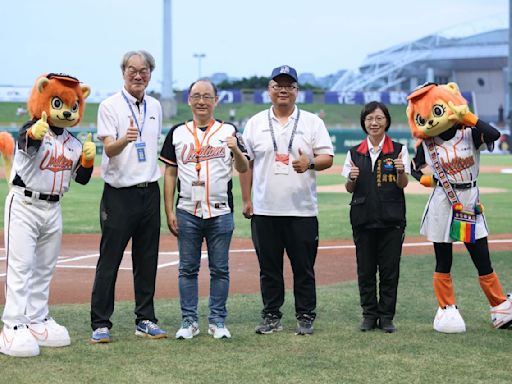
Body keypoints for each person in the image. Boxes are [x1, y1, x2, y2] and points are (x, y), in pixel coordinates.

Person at [1, 73, 94, 357]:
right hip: (25, 205)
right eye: (58, 103)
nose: (67, 110)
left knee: (44, 268)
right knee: (21, 266)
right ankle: (12, 325)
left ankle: (37, 319)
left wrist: (88, 161)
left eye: (72, 105)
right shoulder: (33, 129)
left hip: (53, 208)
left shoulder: (74, 143)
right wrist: (33, 134)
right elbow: (27, 146)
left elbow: (81, 179)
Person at [407, 82, 512, 332]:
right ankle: (447, 309)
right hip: (444, 202)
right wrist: (425, 178)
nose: (431, 120)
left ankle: (500, 309)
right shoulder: (427, 143)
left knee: (482, 258)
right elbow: (416, 169)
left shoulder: (469, 133)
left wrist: (468, 116)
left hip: (469, 202)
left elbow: (495, 135)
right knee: (443, 260)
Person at [240, 65, 334, 336]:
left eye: (289, 86)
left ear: (296, 91)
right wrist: (247, 200)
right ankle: (271, 315)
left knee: (303, 268)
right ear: (269, 90)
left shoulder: (312, 122)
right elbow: (245, 164)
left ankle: (305, 315)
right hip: (265, 209)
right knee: (269, 269)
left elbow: (326, 157)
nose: (283, 90)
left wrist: (311, 163)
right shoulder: (256, 123)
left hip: (301, 210)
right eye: (277, 85)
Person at [160, 79, 249, 340]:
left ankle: (217, 321)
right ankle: (189, 321)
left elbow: (243, 168)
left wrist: (236, 151)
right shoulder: (177, 132)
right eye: (196, 96)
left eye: (207, 96)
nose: (201, 101)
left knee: (220, 269)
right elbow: (170, 172)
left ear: (216, 101)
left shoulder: (229, 131)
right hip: (187, 209)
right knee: (187, 269)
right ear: (188, 100)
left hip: (220, 211)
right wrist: (169, 210)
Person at [90, 50, 167, 343]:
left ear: (150, 73)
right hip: (119, 195)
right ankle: (100, 322)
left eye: (144, 70)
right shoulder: (110, 106)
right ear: (123, 72)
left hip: (149, 191)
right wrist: (125, 139)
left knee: (147, 259)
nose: (138, 75)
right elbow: (108, 149)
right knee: (109, 259)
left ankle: (145, 318)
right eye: (132, 69)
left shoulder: (155, 106)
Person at [342, 101, 409, 333]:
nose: (374, 122)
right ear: (364, 122)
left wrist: (401, 171)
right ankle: (369, 315)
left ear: (387, 121)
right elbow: (349, 188)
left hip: (391, 220)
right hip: (363, 219)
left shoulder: (399, 150)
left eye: (379, 118)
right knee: (366, 270)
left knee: (390, 271)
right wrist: (351, 178)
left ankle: (387, 317)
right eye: (370, 118)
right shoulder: (354, 153)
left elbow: (403, 184)